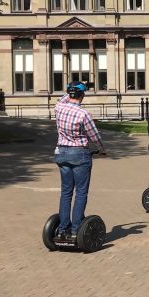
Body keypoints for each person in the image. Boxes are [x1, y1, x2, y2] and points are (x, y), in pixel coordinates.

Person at [53, 82, 106, 240]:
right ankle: (76, 229)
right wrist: (102, 149)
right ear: (82, 95)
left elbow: (64, 98)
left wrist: (73, 88)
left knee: (66, 192)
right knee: (81, 192)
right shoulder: (83, 114)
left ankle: (63, 229)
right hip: (79, 154)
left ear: (69, 94)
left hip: (61, 152)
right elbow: (94, 135)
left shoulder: (59, 107)